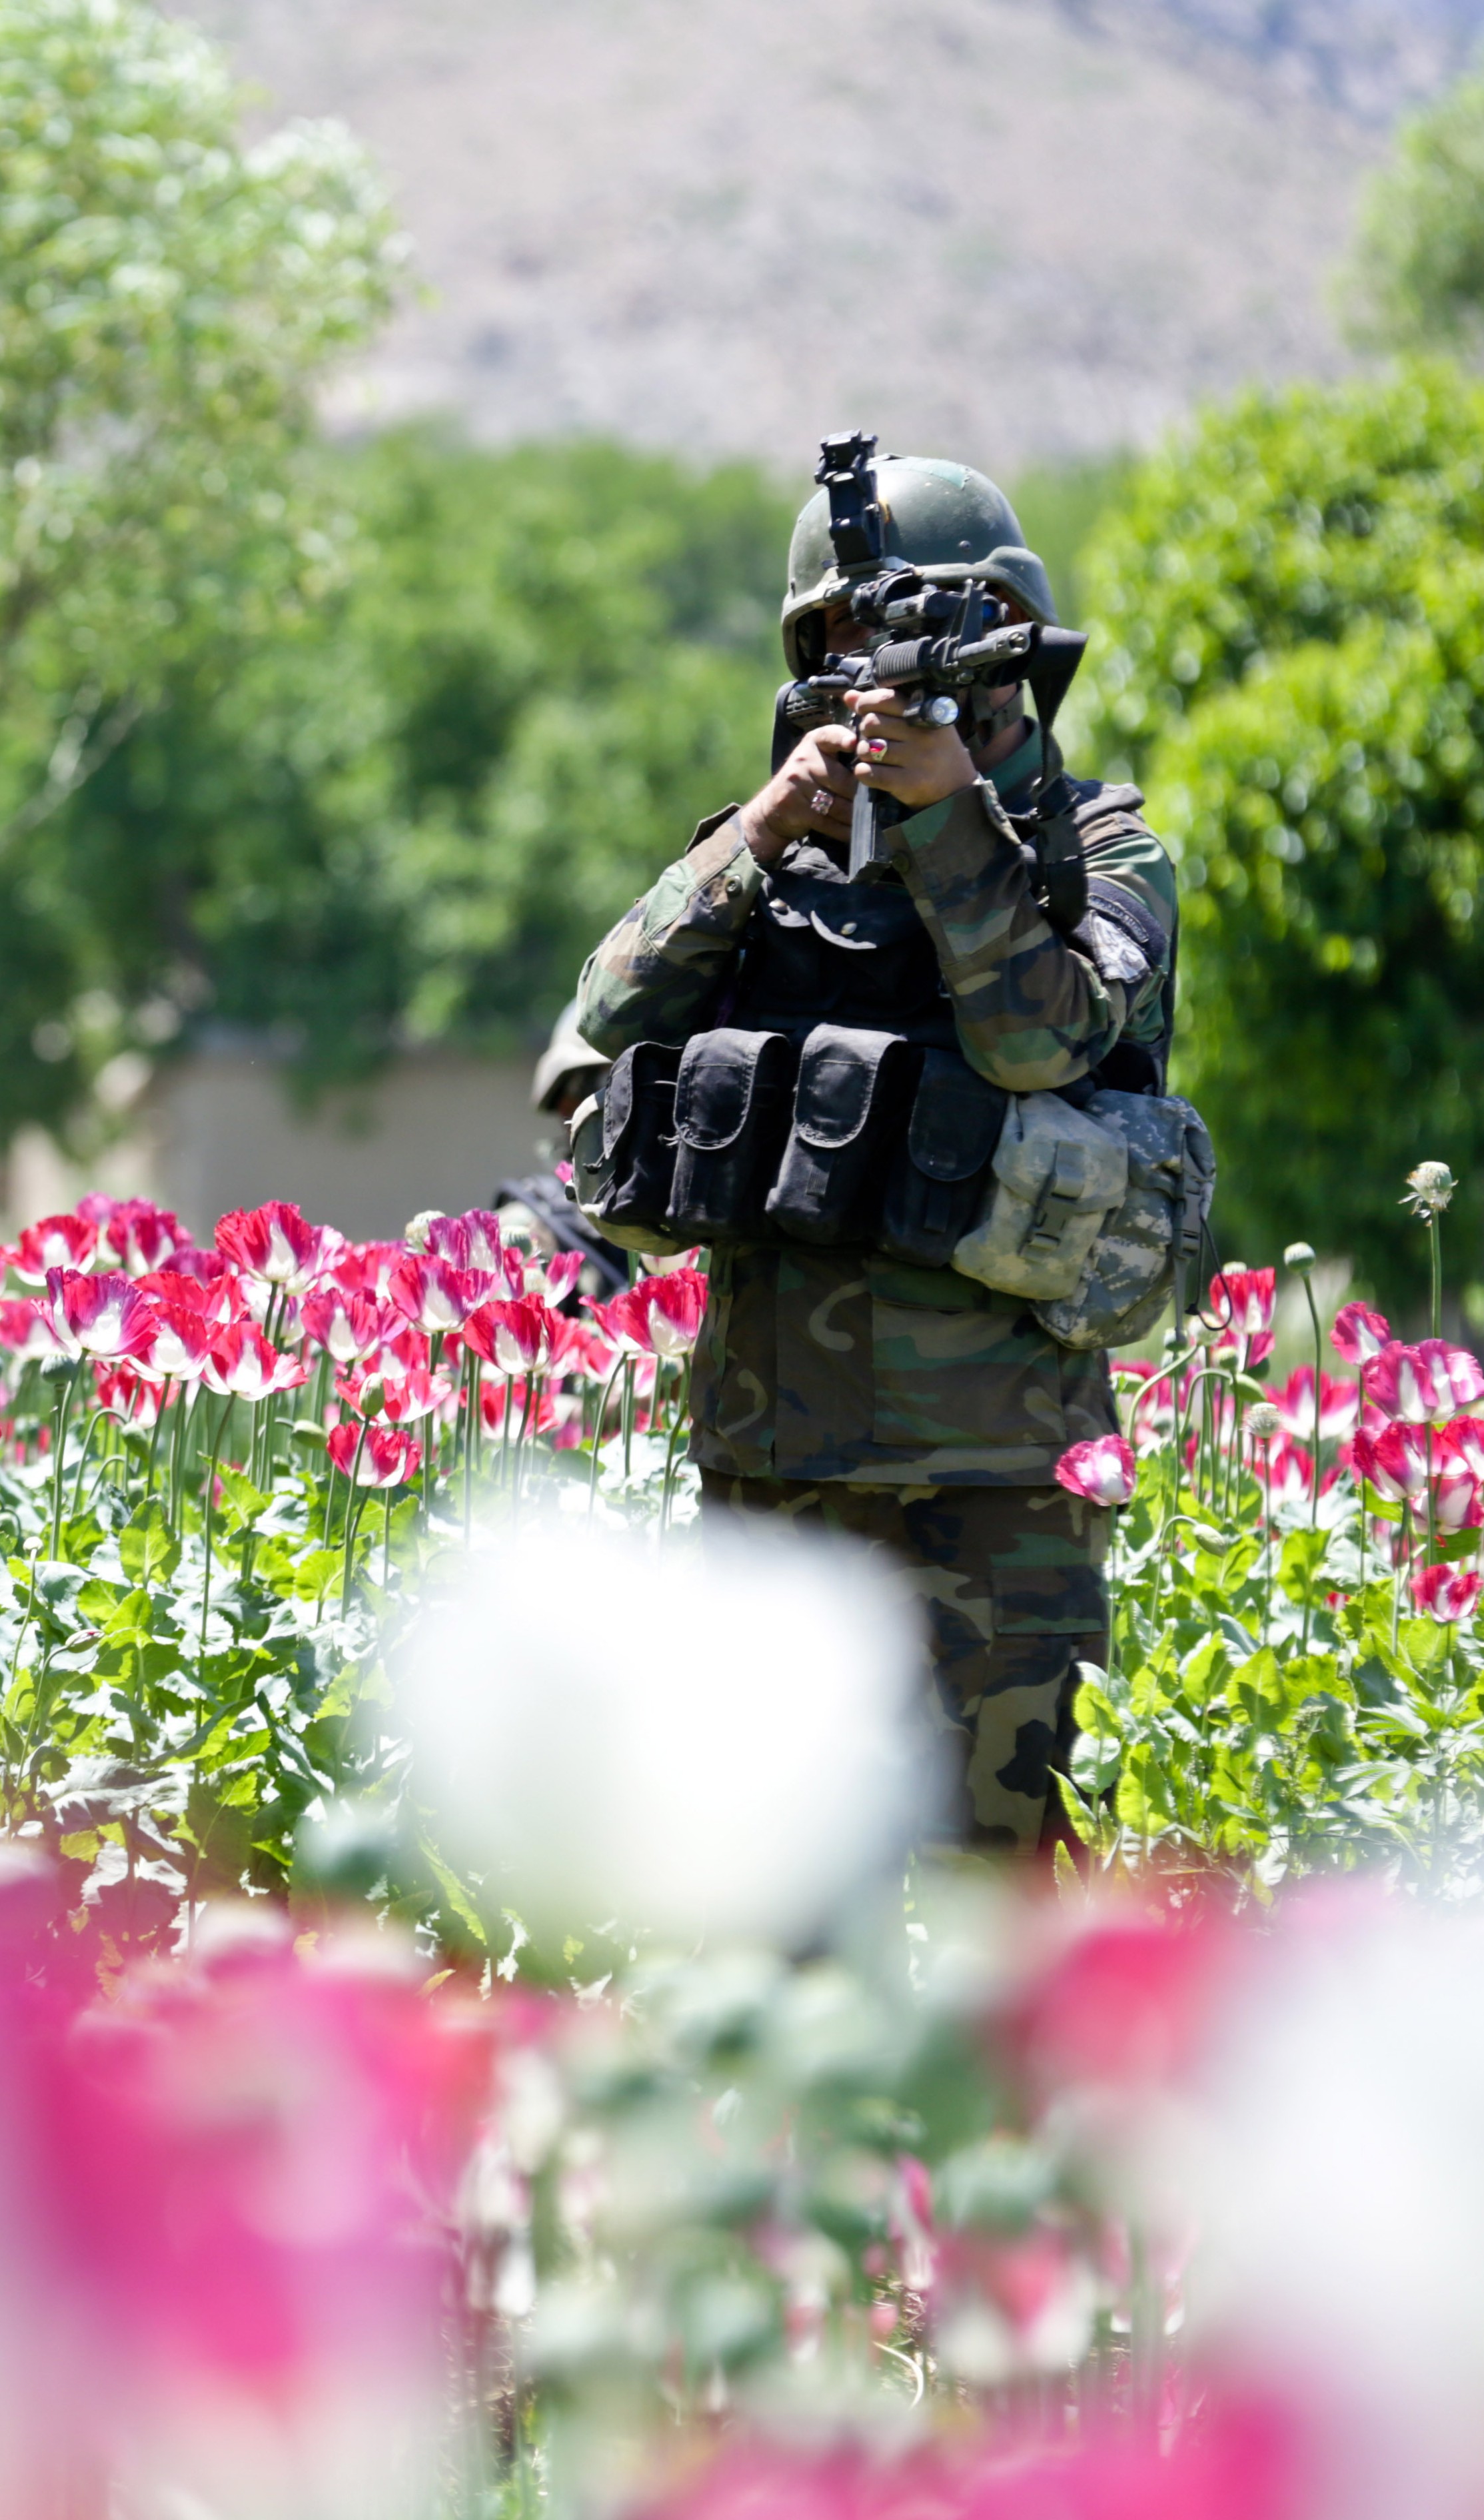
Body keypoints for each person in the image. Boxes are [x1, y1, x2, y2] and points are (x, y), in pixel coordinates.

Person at [563, 454, 1179, 1854]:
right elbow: (605, 1018)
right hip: (770, 1466)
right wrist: (765, 828)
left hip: (998, 1484)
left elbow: (1042, 1044)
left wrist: (952, 823)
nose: (874, 666)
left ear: (1009, 638)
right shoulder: (772, 843)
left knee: (998, 1918)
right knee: (770, 1898)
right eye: (839, 636)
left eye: (912, 629)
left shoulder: (1103, 851)